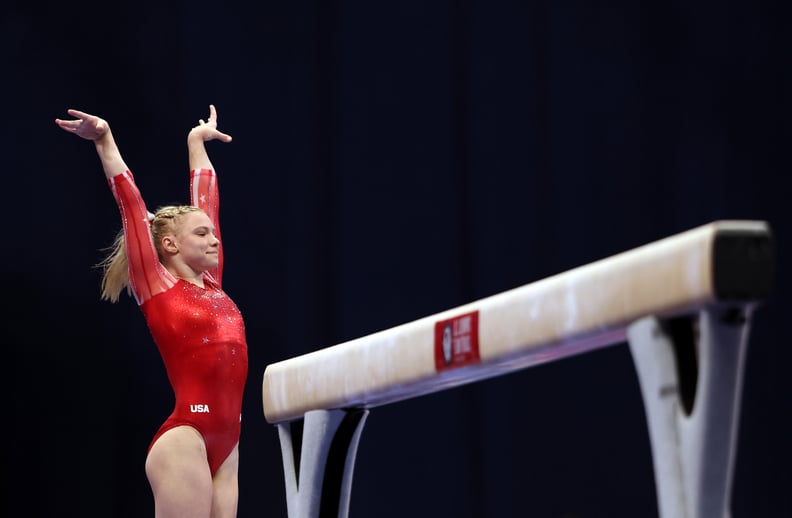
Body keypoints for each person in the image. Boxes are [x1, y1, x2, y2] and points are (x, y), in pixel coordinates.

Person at [55, 105, 249, 518]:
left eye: (213, 233)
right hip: (186, 439)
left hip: (227, 445)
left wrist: (196, 143)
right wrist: (105, 140)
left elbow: (207, 198)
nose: (215, 239)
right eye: (202, 234)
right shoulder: (157, 286)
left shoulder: (213, 285)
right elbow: (130, 203)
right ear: (170, 246)